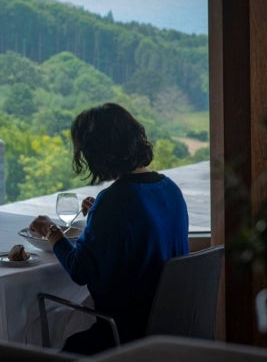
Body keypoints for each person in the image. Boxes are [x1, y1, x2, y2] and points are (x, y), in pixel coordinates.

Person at [30, 102, 189, 354]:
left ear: (97, 153)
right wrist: (98, 214)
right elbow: (140, 231)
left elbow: (79, 270)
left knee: (34, 324)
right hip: (168, 325)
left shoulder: (114, 200)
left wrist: (52, 231)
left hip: (121, 331)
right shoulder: (170, 188)